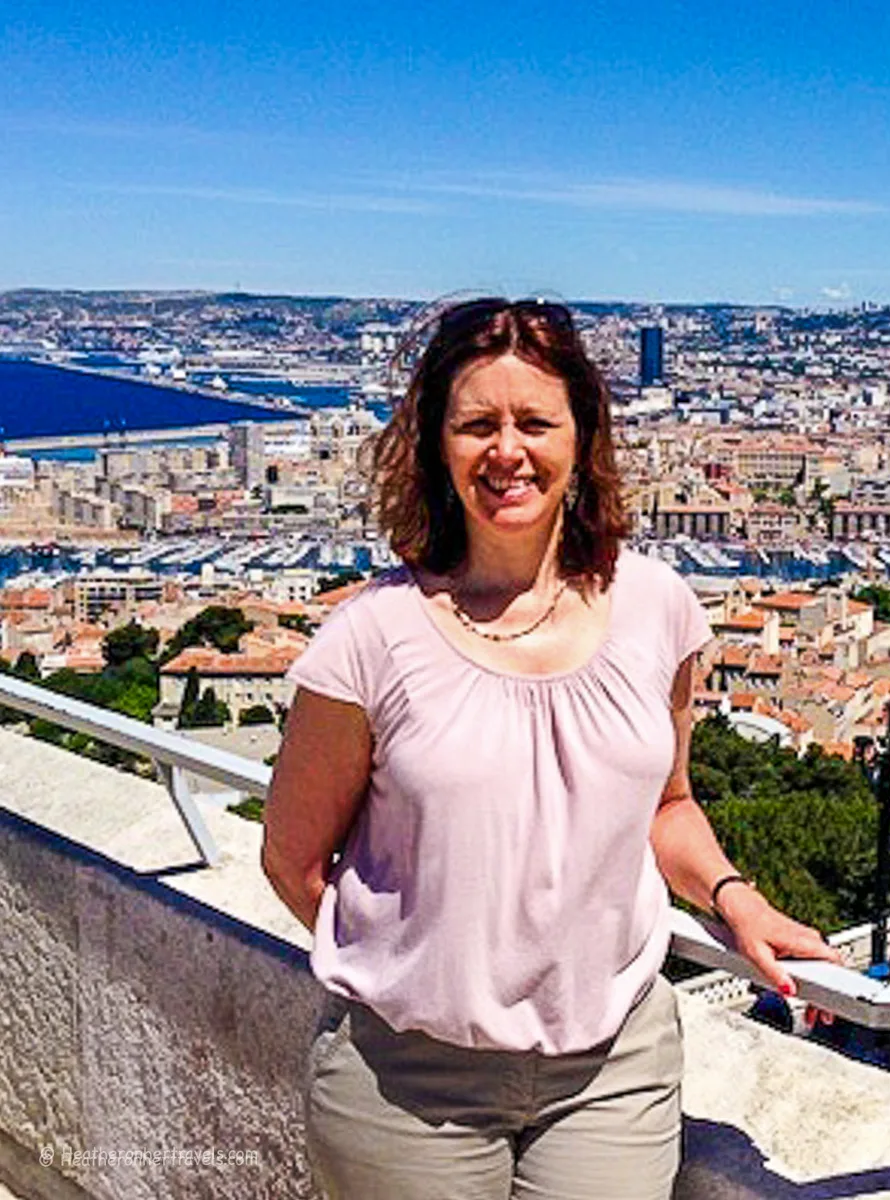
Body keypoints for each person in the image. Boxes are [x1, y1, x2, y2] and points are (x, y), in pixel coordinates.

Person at [260, 297, 839, 1199]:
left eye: (535, 421)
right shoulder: (368, 639)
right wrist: (423, 973)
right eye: (476, 424)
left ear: (581, 438)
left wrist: (737, 901)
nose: (507, 451)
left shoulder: (660, 609)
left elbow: (668, 805)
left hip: (615, 1069)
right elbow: (293, 861)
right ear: (435, 444)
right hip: (410, 1083)